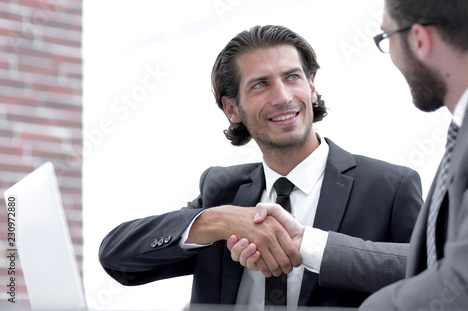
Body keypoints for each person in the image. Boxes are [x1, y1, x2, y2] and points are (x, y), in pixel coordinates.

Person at [98, 25, 423, 309]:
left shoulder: (389, 186)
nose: (282, 97)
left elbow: (434, 274)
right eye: (260, 84)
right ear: (232, 108)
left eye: (292, 77)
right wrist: (221, 219)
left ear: (311, 86)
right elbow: (118, 258)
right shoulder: (221, 190)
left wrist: (311, 246)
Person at [229, 1, 468, 309]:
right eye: (261, 84)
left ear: (420, 40)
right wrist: (307, 243)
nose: (282, 97)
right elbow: (438, 262)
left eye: (386, 39)